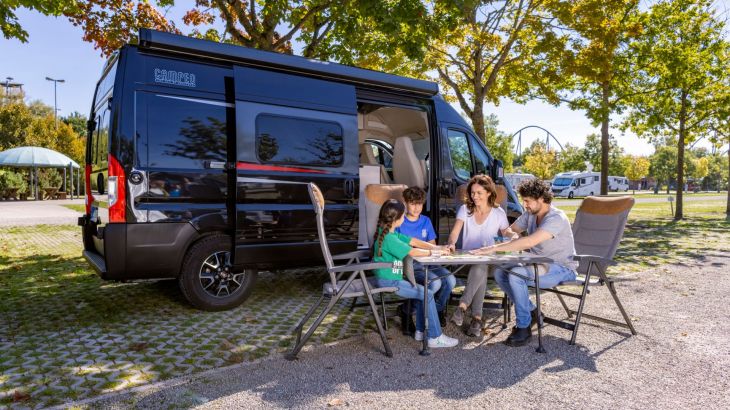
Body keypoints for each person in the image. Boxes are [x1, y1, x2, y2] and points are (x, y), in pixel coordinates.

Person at [471, 178, 577, 347]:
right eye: (524, 201)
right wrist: (512, 235)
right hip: (536, 264)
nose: (525, 205)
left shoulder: (556, 218)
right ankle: (533, 312)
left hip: (560, 267)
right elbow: (510, 230)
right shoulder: (530, 214)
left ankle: (523, 326)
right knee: (501, 273)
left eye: (527, 201)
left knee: (517, 275)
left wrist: (493, 249)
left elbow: (529, 242)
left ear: (541, 198)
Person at [372, 199, 459, 348]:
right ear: (396, 219)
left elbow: (414, 241)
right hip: (390, 282)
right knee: (427, 293)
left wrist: (437, 248)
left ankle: (420, 331)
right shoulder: (390, 238)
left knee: (423, 292)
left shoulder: (388, 232)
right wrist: (432, 251)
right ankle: (435, 337)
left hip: (389, 279)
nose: (404, 217)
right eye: (403, 215)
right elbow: (412, 251)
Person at [445, 175, 509, 337]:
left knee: (482, 265)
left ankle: (462, 306)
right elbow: (454, 233)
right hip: (467, 261)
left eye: (479, 193)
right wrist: (452, 243)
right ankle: (476, 319)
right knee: (480, 267)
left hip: (491, 263)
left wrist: (513, 236)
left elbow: (507, 233)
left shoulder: (498, 212)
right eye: (473, 193)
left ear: (488, 193)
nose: (475, 196)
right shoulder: (465, 210)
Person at [396, 186, 456, 326]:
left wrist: (436, 249)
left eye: (420, 204)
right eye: (412, 203)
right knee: (434, 283)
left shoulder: (425, 221)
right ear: (405, 203)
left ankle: (437, 310)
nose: (416, 208)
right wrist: (423, 248)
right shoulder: (399, 221)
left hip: (428, 262)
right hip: (409, 265)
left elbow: (432, 244)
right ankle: (407, 311)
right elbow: (403, 250)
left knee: (450, 280)